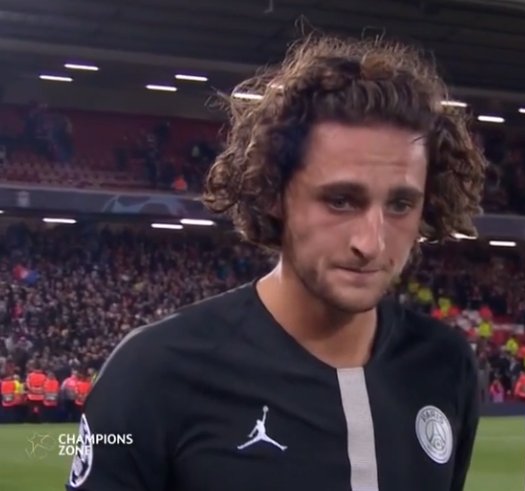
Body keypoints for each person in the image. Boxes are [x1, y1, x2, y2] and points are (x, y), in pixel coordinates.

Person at [66, 33, 487, 491]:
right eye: (340, 200)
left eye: (401, 205)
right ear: (273, 193)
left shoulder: (445, 365)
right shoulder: (154, 370)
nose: (371, 242)